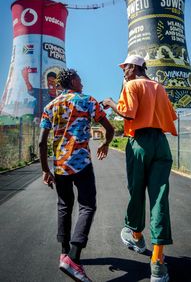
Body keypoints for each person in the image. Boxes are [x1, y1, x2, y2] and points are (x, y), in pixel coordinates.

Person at [102, 54, 177, 282]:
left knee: (136, 190)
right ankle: (158, 262)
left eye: (125, 68)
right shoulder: (159, 87)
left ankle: (135, 234)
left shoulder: (131, 85)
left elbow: (129, 113)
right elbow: (170, 116)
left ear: (134, 67)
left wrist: (110, 103)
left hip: (140, 143)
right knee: (159, 198)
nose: (123, 72)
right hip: (161, 145)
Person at [39, 68, 114, 282]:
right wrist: (106, 143)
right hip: (81, 163)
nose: (82, 82)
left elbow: (42, 142)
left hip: (60, 166)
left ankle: (64, 253)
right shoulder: (87, 100)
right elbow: (109, 128)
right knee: (87, 206)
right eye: (80, 79)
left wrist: (46, 170)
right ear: (73, 80)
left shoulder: (50, 106)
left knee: (64, 206)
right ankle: (74, 256)